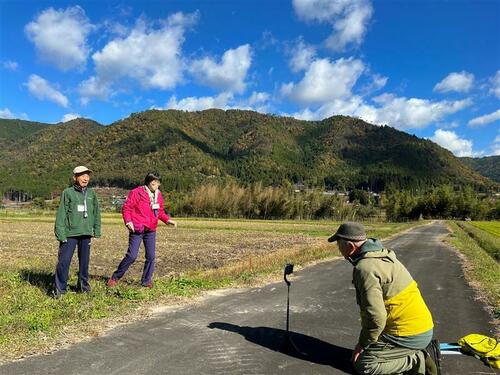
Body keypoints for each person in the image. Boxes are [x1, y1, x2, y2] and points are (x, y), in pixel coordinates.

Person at [328, 222, 438, 375]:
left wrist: (363, 344)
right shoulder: (382, 254)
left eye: (339, 245)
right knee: (368, 350)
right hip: (422, 327)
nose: (338, 249)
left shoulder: (365, 268)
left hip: (408, 334)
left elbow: (376, 318)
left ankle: (415, 359)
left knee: (364, 365)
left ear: (351, 247)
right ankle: (409, 353)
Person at [107, 172, 176, 288]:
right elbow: (127, 208)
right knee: (132, 256)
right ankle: (115, 277)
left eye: (158, 183)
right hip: (137, 229)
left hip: (151, 230)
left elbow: (160, 212)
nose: (156, 185)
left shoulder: (158, 195)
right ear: (148, 182)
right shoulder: (137, 192)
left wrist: (167, 220)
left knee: (151, 256)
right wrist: (128, 221)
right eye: (154, 183)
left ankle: (146, 280)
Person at [53, 166, 101, 298]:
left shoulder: (91, 193)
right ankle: (59, 290)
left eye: (87, 175)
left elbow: (96, 212)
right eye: (82, 175)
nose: (85, 178)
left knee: (84, 263)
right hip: (70, 233)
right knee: (64, 262)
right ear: (75, 177)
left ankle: (83, 287)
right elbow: (61, 214)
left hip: (86, 233)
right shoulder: (67, 192)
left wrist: (97, 229)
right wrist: (60, 233)